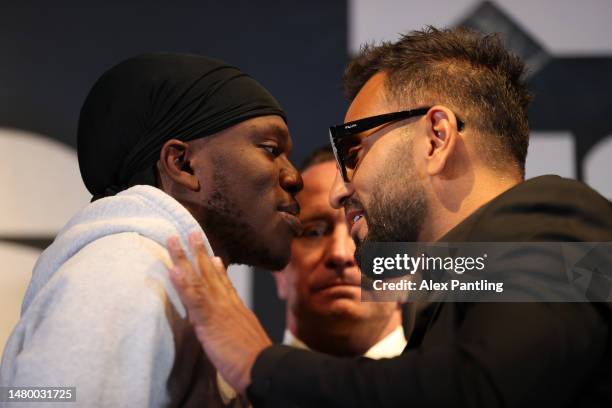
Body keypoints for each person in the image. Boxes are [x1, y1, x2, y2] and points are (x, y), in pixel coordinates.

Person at [165, 27, 612, 407]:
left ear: (436, 138)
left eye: (354, 151)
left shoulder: (558, 221)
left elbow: (482, 389)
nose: (341, 189)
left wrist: (257, 363)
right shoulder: (465, 275)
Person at [0, 53, 303, 407]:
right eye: (270, 149)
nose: (294, 177)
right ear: (182, 163)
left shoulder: (157, 275)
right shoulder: (123, 270)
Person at [273, 146, 407, 358]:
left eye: (366, 231)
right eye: (314, 232)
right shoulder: (220, 390)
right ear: (279, 268)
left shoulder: (462, 390)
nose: (341, 254)